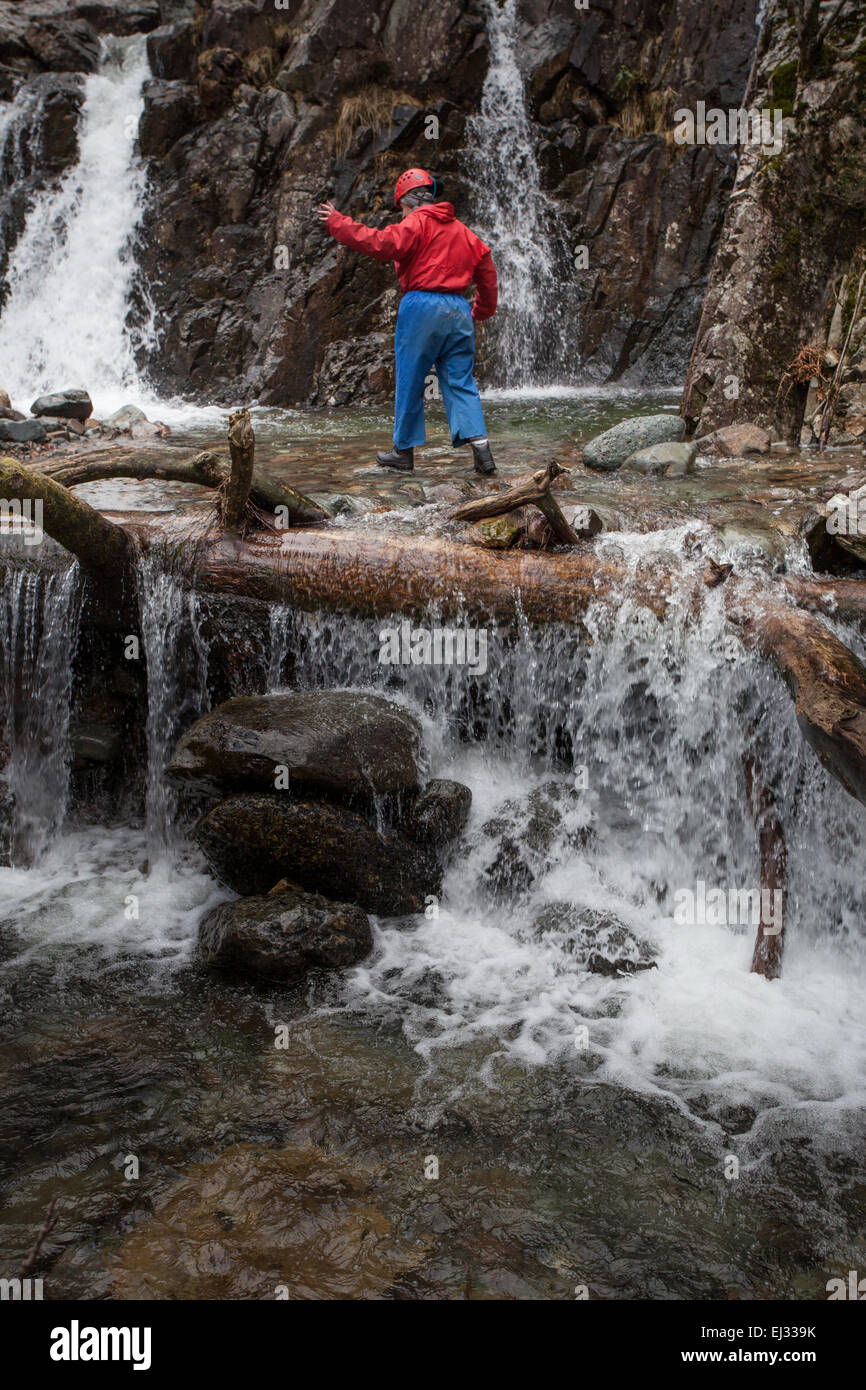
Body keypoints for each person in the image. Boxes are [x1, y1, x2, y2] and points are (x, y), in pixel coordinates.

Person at [318, 168, 498, 474]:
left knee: (411, 378)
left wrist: (338, 222)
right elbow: (488, 277)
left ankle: (403, 453)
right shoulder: (466, 232)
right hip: (458, 310)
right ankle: (482, 452)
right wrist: (480, 311)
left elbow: (380, 243)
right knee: (461, 381)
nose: (400, 214)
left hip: (422, 306)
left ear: (409, 201)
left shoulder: (416, 223)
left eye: (400, 207)